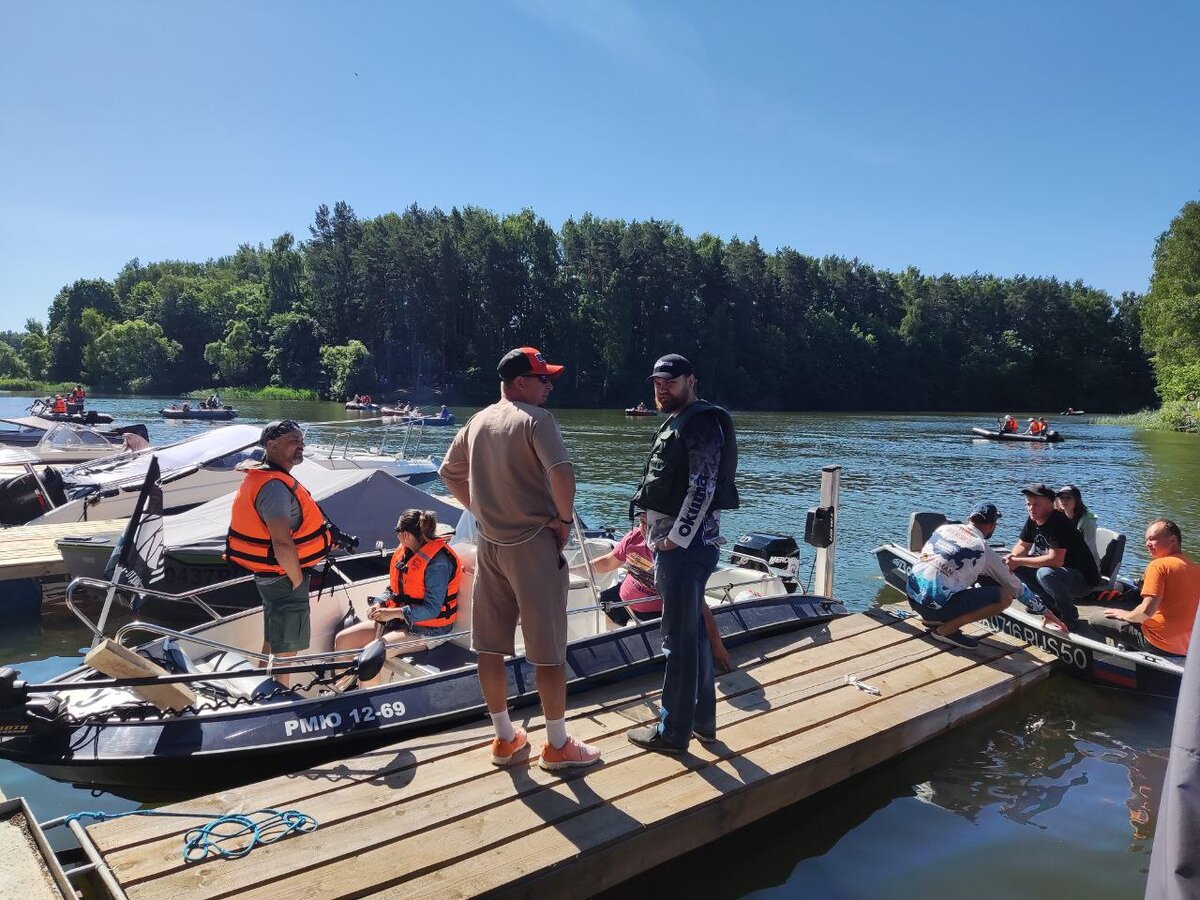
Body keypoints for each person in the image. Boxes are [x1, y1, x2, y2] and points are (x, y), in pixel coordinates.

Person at [439, 346, 600, 771]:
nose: (549, 386)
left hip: (490, 545)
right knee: (548, 649)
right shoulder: (536, 420)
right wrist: (564, 520)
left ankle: (505, 738)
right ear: (519, 383)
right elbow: (562, 473)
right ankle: (558, 745)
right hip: (532, 546)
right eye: (543, 378)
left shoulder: (476, 421)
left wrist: (479, 511)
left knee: (489, 647)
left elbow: (448, 472)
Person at [626, 353, 739, 755]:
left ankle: (673, 732)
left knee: (677, 640)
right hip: (678, 547)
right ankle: (702, 724)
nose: (661, 388)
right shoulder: (678, 420)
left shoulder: (702, 422)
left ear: (691, 380)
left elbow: (704, 485)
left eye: (670, 381)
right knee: (692, 638)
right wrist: (645, 519)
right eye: (657, 381)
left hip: (685, 552)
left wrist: (676, 538)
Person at [225, 420, 332, 685]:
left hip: (273, 573)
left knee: (274, 639)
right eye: (294, 441)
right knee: (285, 648)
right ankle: (278, 698)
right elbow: (281, 542)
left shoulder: (268, 479)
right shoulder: (273, 487)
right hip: (284, 576)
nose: (301, 446)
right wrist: (296, 579)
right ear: (271, 445)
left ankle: (264, 688)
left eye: (302, 441)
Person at [581, 514, 735, 673]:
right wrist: (571, 571)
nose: (645, 529)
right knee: (589, 610)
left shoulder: (673, 555)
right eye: (642, 523)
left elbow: (698, 602)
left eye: (651, 524)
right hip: (620, 602)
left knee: (632, 632)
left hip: (654, 615)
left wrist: (717, 646)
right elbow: (608, 562)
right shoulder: (634, 537)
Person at [906, 503, 1068, 648]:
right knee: (1005, 596)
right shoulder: (982, 549)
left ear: (969, 518)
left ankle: (932, 616)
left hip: (912, 598)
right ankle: (945, 630)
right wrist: (1046, 612)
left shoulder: (943, 529)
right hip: (934, 607)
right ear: (992, 526)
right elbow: (1017, 588)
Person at [333, 509, 461, 686]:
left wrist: (394, 613)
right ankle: (343, 692)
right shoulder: (406, 552)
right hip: (400, 622)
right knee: (343, 639)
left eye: (396, 531)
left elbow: (433, 609)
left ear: (406, 535)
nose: (396, 535)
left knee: (369, 656)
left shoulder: (438, 563)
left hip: (429, 631)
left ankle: (370, 707)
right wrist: (380, 603)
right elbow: (394, 588)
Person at [1094, 520, 1200, 656]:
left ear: (1173, 540)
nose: (1147, 544)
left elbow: (1146, 612)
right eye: (1146, 540)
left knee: (1096, 617)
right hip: (1186, 646)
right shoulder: (1195, 568)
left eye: (1153, 539)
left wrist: (1125, 615)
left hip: (1158, 642)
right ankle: (1130, 649)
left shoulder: (1158, 566)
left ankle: (1117, 658)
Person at [1004, 483, 1101, 628]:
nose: (1031, 508)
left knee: (1045, 573)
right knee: (1017, 566)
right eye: (1028, 504)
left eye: (1036, 504)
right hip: (1058, 574)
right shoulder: (1033, 519)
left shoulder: (1058, 523)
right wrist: (1011, 560)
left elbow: (1055, 561)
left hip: (1083, 580)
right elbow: (1023, 545)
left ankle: (1069, 617)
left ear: (1050, 504)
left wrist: (1018, 561)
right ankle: (1050, 605)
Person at [1054, 484, 1101, 571]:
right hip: (1064, 563)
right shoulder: (1058, 519)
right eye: (1061, 497)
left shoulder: (1088, 523)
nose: (1064, 500)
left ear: (1077, 500)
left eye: (1068, 497)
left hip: (1086, 568)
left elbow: (1087, 551)